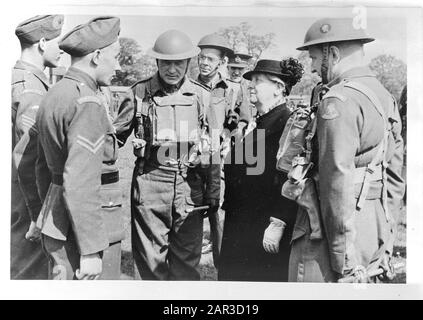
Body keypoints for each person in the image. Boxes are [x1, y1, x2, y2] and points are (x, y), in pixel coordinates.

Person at [290, 18, 405, 283]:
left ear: (333, 53)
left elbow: (337, 181)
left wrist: (344, 259)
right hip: (372, 225)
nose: (312, 67)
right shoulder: (385, 97)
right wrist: (385, 240)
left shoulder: (338, 100)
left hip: (331, 233)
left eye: (314, 58)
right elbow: (395, 180)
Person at [115, 29, 215, 280]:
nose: (172, 70)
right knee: (150, 262)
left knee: (187, 261)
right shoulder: (138, 93)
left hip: (189, 185)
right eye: (166, 63)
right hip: (151, 183)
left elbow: (214, 148)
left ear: (188, 63)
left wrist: (213, 192)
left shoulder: (203, 96)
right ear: (157, 62)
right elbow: (114, 139)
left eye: (179, 63)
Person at [35, 16, 124, 280]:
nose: (118, 65)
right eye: (115, 56)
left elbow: (41, 165)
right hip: (86, 229)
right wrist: (91, 250)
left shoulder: (56, 92)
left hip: (57, 221)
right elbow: (81, 181)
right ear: (97, 56)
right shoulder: (87, 102)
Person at [218, 58, 303, 281]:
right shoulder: (261, 121)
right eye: (251, 80)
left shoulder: (287, 124)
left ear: (278, 88)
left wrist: (279, 221)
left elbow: (290, 179)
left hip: (263, 227)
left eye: (258, 81)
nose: (251, 85)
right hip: (242, 222)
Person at [11, 14, 64, 279]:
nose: (62, 49)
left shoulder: (21, 79)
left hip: (19, 190)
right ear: (43, 42)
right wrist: (36, 213)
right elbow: (27, 156)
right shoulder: (29, 87)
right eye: (57, 42)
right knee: (28, 270)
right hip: (25, 196)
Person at [194, 33, 251, 268]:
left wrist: (228, 136)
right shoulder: (189, 87)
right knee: (191, 206)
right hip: (193, 158)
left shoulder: (233, 90)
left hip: (220, 159)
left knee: (217, 210)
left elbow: (244, 119)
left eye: (210, 59)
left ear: (221, 63)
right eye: (201, 58)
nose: (204, 63)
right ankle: (190, 257)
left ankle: (220, 265)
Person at [227, 51, 256, 119]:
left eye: (240, 69)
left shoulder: (253, 89)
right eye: (233, 68)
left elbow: (262, 116)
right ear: (228, 68)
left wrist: (260, 130)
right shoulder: (222, 87)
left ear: (247, 69)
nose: (236, 73)